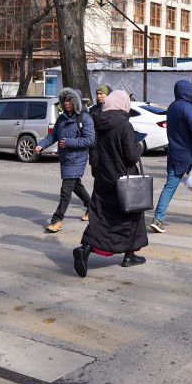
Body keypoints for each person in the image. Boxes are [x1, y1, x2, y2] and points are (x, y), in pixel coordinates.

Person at [73, 90, 148, 275]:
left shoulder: (98, 124)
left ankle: (86, 249)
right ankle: (129, 255)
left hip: (103, 178)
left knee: (101, 217)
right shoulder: (124, 126)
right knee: (130, 216)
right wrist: (138, 146)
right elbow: (131, 156)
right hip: (123, 179)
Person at [149, 80, 192, 233]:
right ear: (185, 91)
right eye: (191, 91)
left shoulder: (171, 107)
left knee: (169, 187)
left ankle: (158, 219)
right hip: (189, 154)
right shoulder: (188, 108)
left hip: (174, 153)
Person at [36, 88, 96, 232]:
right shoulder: (62, 118)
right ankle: (92, 208)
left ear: (76, 102)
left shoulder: (85, 118)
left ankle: (57, 220)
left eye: (70, 100)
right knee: (76, 186)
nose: (67, 103)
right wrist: (41, 145)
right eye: (65, 100)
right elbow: (53, 136)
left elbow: (90, 139)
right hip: (65, 159)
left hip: (77, 159)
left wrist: (69, 142)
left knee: (66, 190)